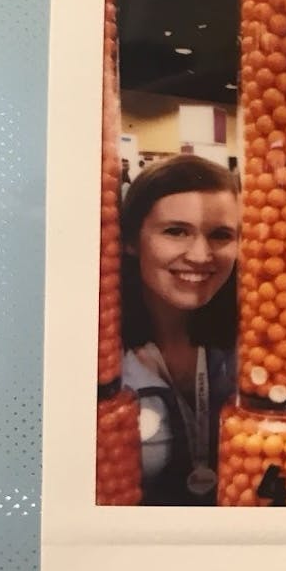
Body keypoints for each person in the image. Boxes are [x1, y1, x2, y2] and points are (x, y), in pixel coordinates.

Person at [119, 154, 240, 505]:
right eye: (176, 231)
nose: (201, 255)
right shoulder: (101, 358)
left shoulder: (252, 347)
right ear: (130, 239)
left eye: (221, 235)